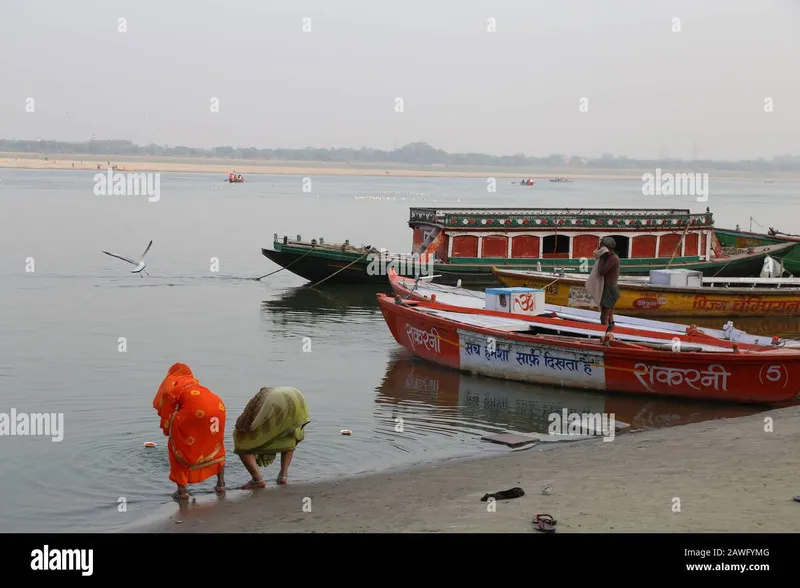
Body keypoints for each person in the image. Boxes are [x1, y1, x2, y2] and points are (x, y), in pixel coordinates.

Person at [153, 363, 227, 501]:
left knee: (176, 448)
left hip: (195, 411)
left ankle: (182, 492)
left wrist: (170, 432)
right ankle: (221, 485)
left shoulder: (173, 388)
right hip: (218, 407)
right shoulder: (195, 385)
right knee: (216, 444)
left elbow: (167, 418)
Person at [234, 387, 310, 489]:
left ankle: (257, 480)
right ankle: (283, 475)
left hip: (277, 399)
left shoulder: (256, 402)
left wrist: (243, 434)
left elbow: (242, 424)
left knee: (241, 441)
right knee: (289, 432)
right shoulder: (265, 396)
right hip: (296, 396)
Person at [596, 236, 621, 332]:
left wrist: (601, 257)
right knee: (610, 316)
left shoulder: (613, 258)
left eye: (601, 246)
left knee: (604, 317)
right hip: (611, 289)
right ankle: (612, 333)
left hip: (610, 290)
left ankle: (606, 335)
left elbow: (601, 272)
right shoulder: (612, 257)